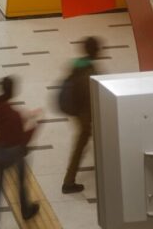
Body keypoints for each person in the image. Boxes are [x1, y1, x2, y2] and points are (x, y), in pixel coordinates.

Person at [0, 77, 40, 227]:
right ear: (13, 91)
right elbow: (22, 139)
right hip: (13, 153)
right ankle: (26, 210)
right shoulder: (14, 115)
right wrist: (35, 125)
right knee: (21, 179)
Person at [62, 36, 101, 194]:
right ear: (96, 51)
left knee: (83, 141)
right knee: (80, 144)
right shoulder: (89, 73)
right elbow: (90, 99)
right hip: (83, 114)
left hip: (76, 110)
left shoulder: (79, 64)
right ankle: (68, 182)